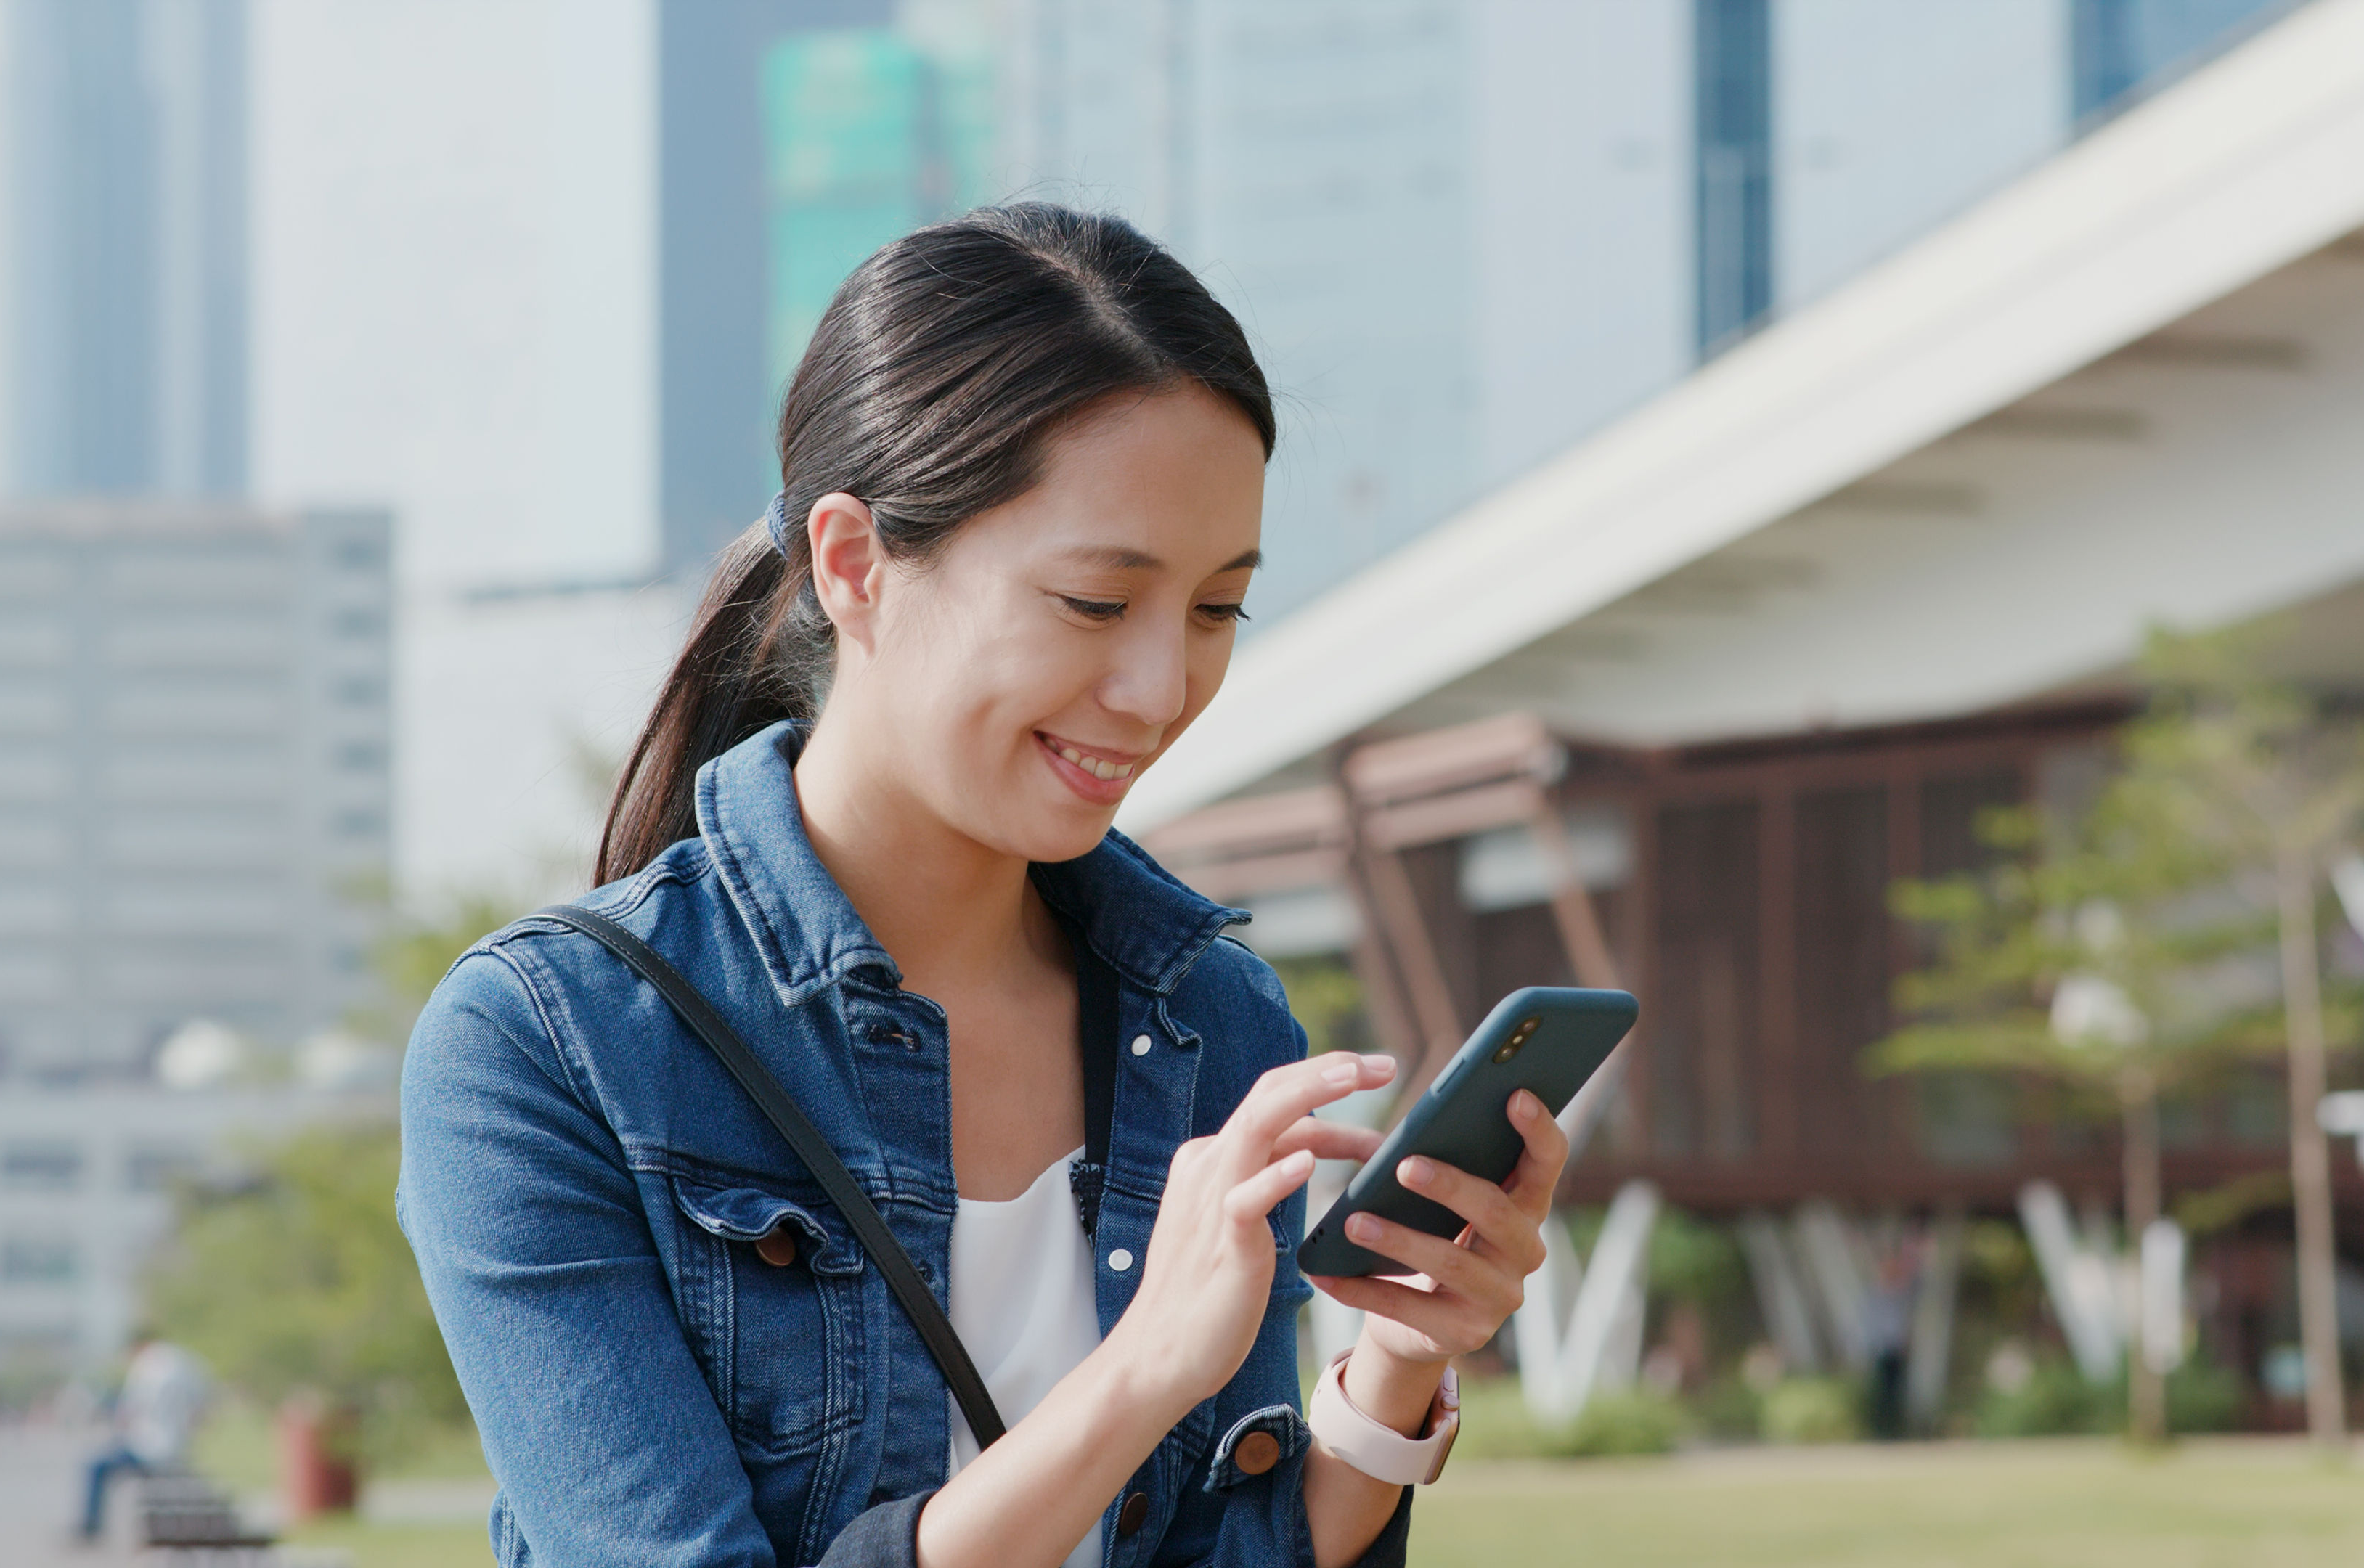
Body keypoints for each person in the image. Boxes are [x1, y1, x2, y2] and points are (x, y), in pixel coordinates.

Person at [398, 204, 1562, 1568]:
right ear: (854, 566)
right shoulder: (550, 1047)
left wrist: (1398, 1367)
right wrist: (1140, 1378)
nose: (1159, 690)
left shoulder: (1215, 1024)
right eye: (1092, 602)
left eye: (1212, 610)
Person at [78, 1334, 212, 1542]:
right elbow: (205, 1402)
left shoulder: (145, 1367)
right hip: (177, 1447)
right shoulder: (184, 1362)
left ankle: (91, 1527)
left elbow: (129, 1410)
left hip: (147, 1447)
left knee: (95, 1466)